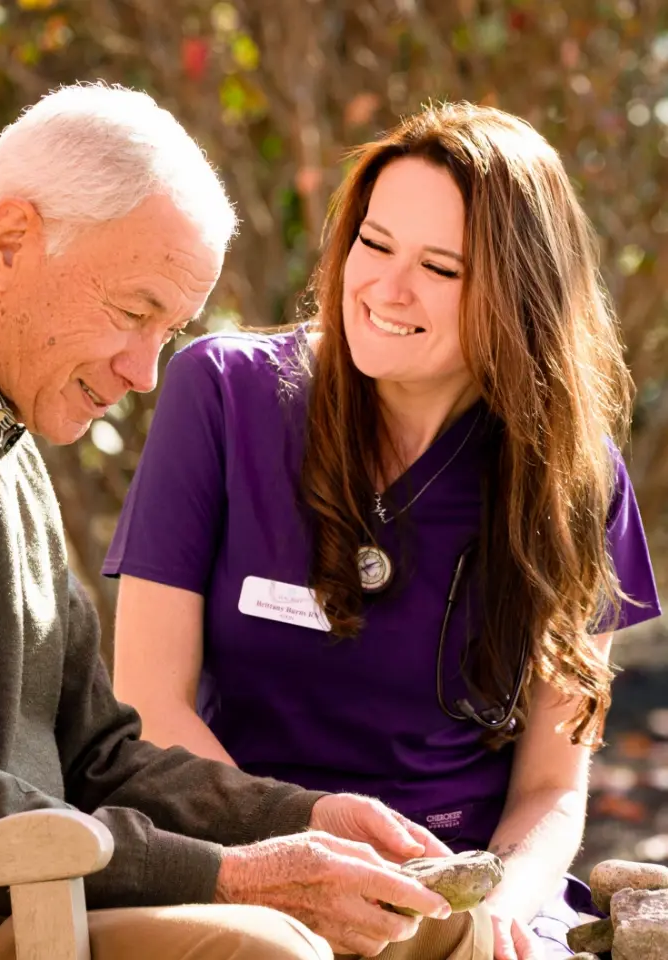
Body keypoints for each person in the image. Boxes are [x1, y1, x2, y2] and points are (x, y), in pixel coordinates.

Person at [0, 82, 479, 960]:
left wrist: (306, 819)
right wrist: (235, 876)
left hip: (30, 896)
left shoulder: (1, 414)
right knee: (269, 949)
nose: (144, 373)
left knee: (444, 928)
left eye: (169, 331)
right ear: (12, 240)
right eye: (135, 313)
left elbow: (97, 753)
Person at [106, 102, 662, 960]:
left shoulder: (573, 479)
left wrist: (501, 907)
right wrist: (290, 860)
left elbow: (553, 785)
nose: (386, 289)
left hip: (461, 893)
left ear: (521, 295)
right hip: (249, 875)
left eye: (440, 267)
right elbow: (150, 706)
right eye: (374, 243)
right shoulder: (220, 394)